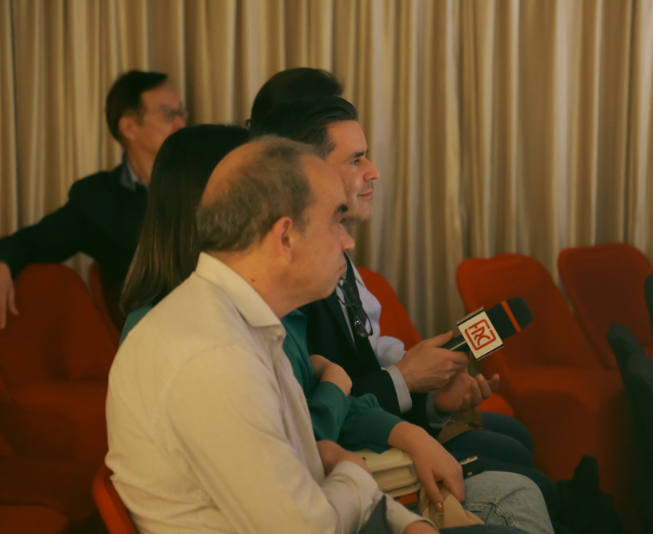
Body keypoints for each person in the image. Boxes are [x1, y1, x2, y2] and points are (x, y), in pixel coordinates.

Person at [117, 125, 554, 534]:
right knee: (517, 500)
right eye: (335, 221)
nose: (348, 242)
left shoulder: (247, 322)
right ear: (285, 237)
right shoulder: (214, 357)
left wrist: (405, 520)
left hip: (340, 513)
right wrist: (350, 470)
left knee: (518, 497)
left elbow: (314, 467)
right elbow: (305, 522)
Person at [249, 95, 559, 513]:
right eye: (356, 159)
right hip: (355, 463)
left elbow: (365, 367)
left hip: (379, 432)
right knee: (528, 486)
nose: (373, 171)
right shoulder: (291, 288)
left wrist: (431, 397)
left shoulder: (339, 260)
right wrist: (407, 378)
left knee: (520, 450)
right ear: (310, 173)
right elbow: (317, 420)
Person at [0, 70, 186, 328]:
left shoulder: (204, 179)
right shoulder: (98, 200)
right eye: (169, 114)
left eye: (181, 112)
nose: (181, 124)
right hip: (155, 332)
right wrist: (3, 261)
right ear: (129, 127)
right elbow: (32, 242)